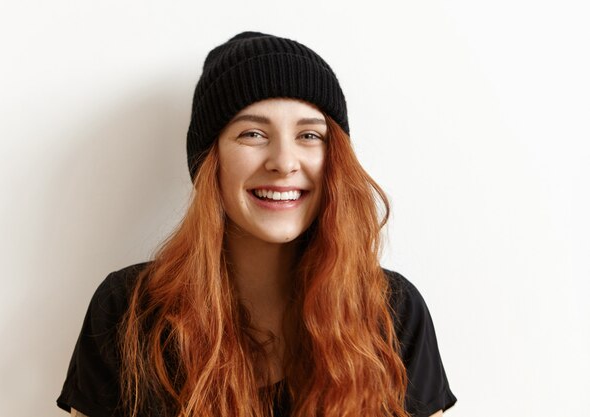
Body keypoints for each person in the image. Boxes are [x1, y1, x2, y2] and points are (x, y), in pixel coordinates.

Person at [57, 31, 457, 417]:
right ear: (209, 162)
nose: (284, 162)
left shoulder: (393, 313)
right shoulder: (127, 310)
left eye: (309, 135)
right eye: (252, 133)